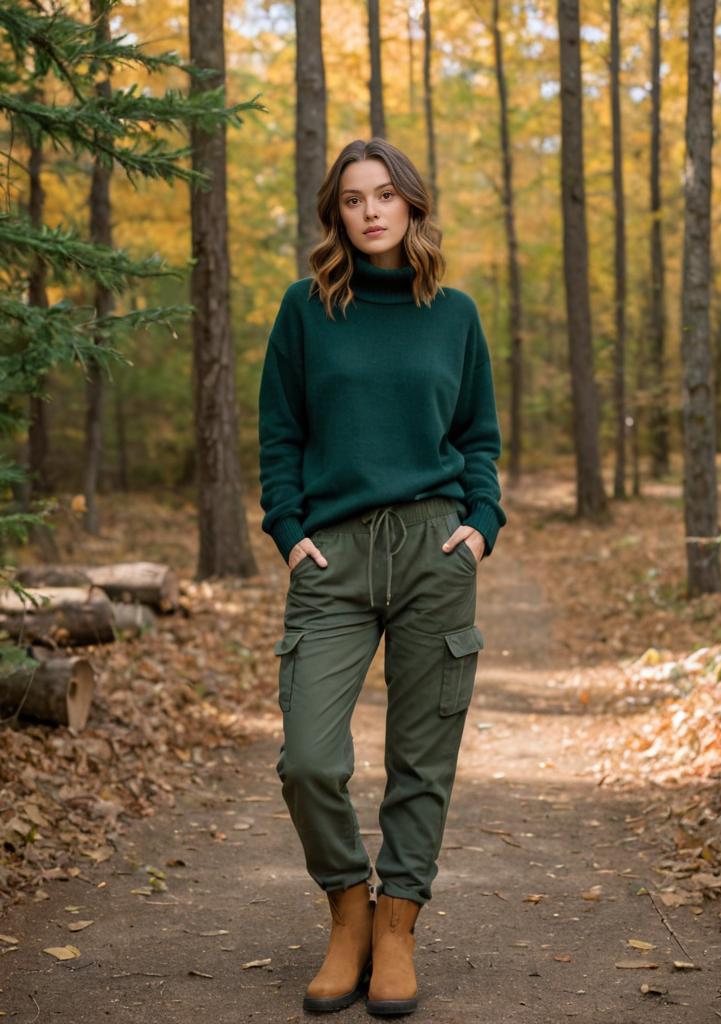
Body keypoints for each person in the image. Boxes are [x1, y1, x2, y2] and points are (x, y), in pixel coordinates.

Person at [257, 137, 506, 1016]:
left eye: (385, 196)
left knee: (421, 756)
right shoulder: (306, 309)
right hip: (333, 555)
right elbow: (280, 432)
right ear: (336, 213)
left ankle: (397, 924)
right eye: (354, 199)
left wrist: (481, 525)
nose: (370, 211)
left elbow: (478, 436)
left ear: (411, 205)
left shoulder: (455, 313)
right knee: (309, 759)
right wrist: (288, 531)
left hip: (438, 549)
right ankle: (347, 910)